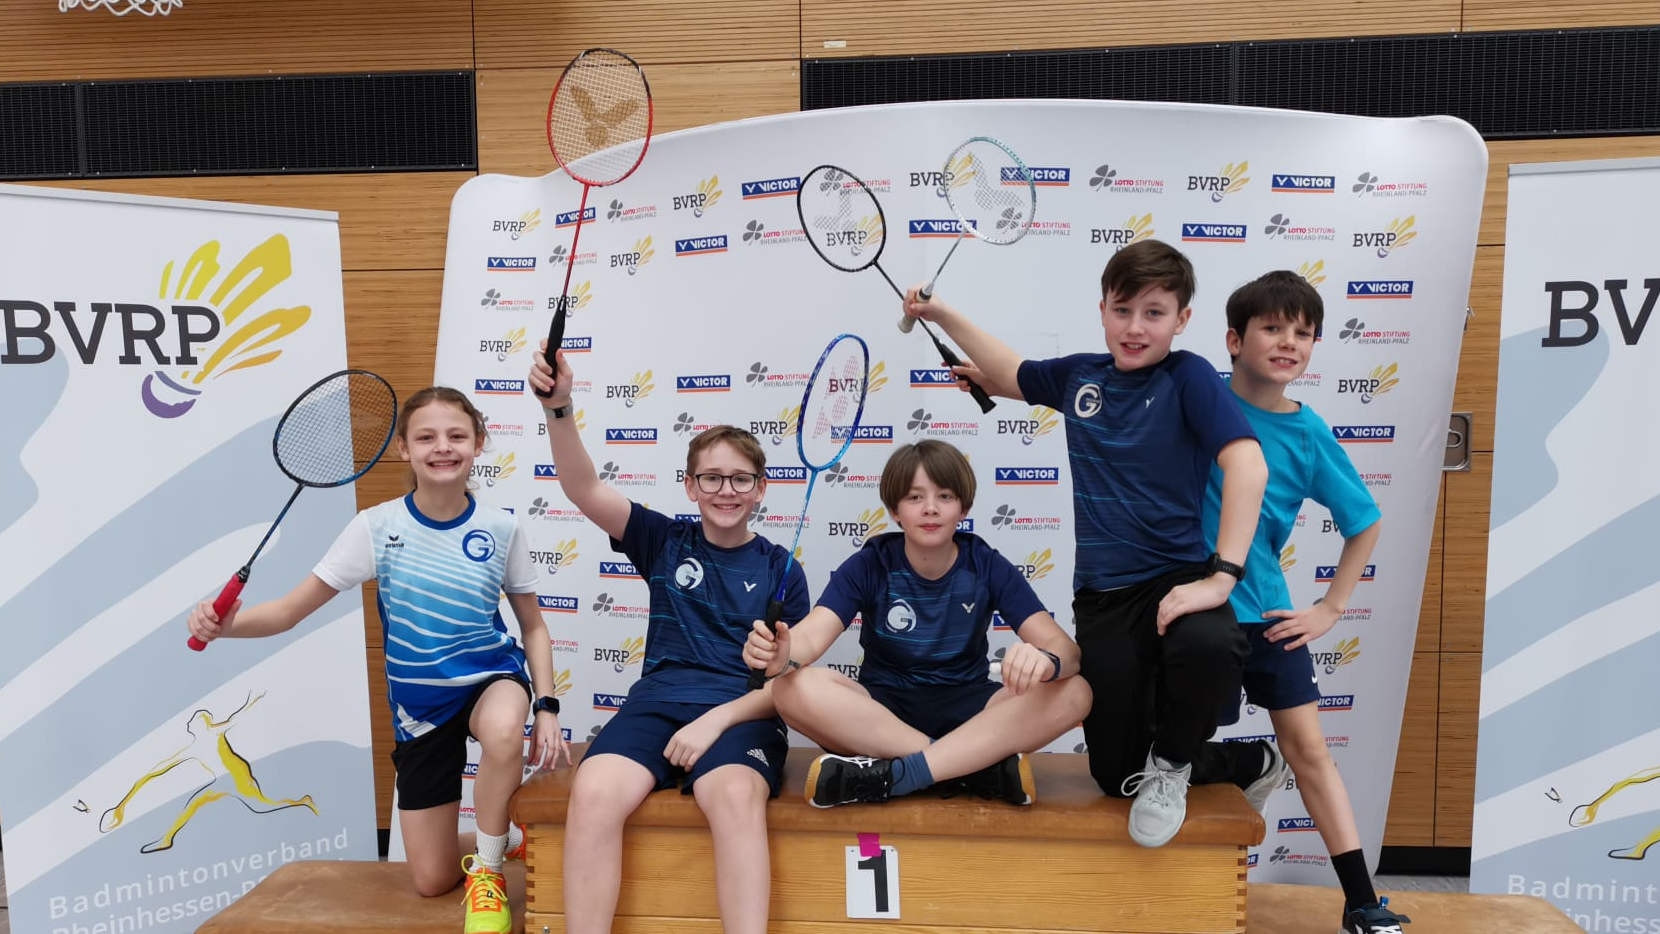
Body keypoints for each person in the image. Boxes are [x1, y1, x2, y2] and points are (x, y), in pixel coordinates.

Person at [902, 239, 1272, 847]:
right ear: (1102, 310)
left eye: (1154, 313)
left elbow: (1249, 466)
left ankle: (1172, 766)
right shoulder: (1081, 377)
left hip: (1176, 577)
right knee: (1115, 775)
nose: (1135, 327)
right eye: (1122, 310)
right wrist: (938, 313)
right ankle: (1251, 761)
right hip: (1103, 600)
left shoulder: (1189, 377)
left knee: (1210, 642)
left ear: (1182, 320)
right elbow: (1010, 372)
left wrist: (1221, 578)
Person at [187, 386, 568, 934]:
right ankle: (504, 835)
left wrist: (547, 705)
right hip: (420, 709)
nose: (443, 447)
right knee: (431, 878)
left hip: (491, 679)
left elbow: (532, 626)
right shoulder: (376, 527)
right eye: (426, 437)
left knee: (506, 729)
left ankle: (487, 873)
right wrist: (225, 627)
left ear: (479, 443)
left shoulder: (502, 529)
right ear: (403, 449)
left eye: (457, 435)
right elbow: (289, 611)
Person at [529, 343, 808, 934]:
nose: (726, 490)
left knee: (734, 797)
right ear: (689, 486)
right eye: (712, 478)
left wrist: (714, 723)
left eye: (741, 478)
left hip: (741, 715)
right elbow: (582, 487)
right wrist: (559, 408)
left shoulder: (782, 570)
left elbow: (788, 685)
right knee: (594, 791)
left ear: (761, 489)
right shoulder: (662, 540)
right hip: (655, 706)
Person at [1193, 270, 1407, 934]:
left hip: (1266, 616)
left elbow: (1364, 521)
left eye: (1304, 332)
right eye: (1273, 328)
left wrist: (1330, 608)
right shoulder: (1194, 403)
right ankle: (1247, 765)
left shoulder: (1308, 433)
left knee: (1310, 750)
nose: (1289, 342)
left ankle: (1362, 901)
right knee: (1160, 752)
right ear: (1234, 339)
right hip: (1190, 615)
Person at [743, 440, 1092, 807]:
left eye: (945, 496)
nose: (930, 508)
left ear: (963, 507)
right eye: (914, 497)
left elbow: (1067, 652)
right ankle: (967, 767)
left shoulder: (986, 564)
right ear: (895, 510)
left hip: (971, 711)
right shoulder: (871, 563)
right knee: (789, 688)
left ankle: (902, 774)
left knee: (1076, 691)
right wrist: (783, 655)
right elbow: (812, 636)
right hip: (882, 716)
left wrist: (1046, 661)